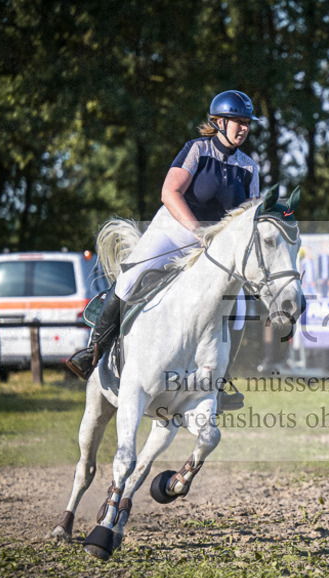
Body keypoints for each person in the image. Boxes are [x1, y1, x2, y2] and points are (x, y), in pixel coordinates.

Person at [67, 90, 261, 411]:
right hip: (174, 231)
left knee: (238, 308)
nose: (243, 127)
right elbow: (169, 192)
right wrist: (197, 231)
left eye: (247, 123)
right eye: (237, 121)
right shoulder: (196, 150)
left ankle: (222, 378)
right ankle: (94, 351)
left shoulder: (249, 168)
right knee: (131, 278)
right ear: (218, 122)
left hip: (212, 249)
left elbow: (248, 215)